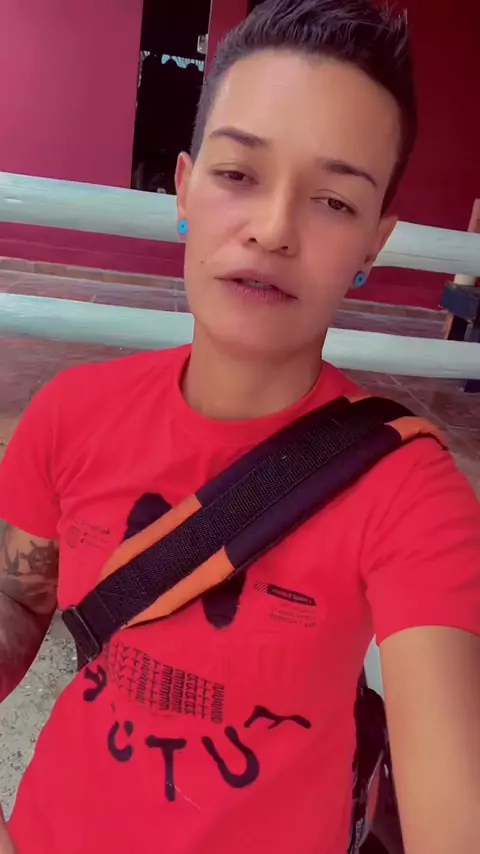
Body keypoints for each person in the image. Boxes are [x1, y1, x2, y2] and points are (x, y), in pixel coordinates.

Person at [0, 1, 479, 852]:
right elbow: (16, 599)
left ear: (375, 243)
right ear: (184, 188)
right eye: (237, 174)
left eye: (333, 200)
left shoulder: (410, 494)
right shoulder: (71, 414)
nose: (273, 228)